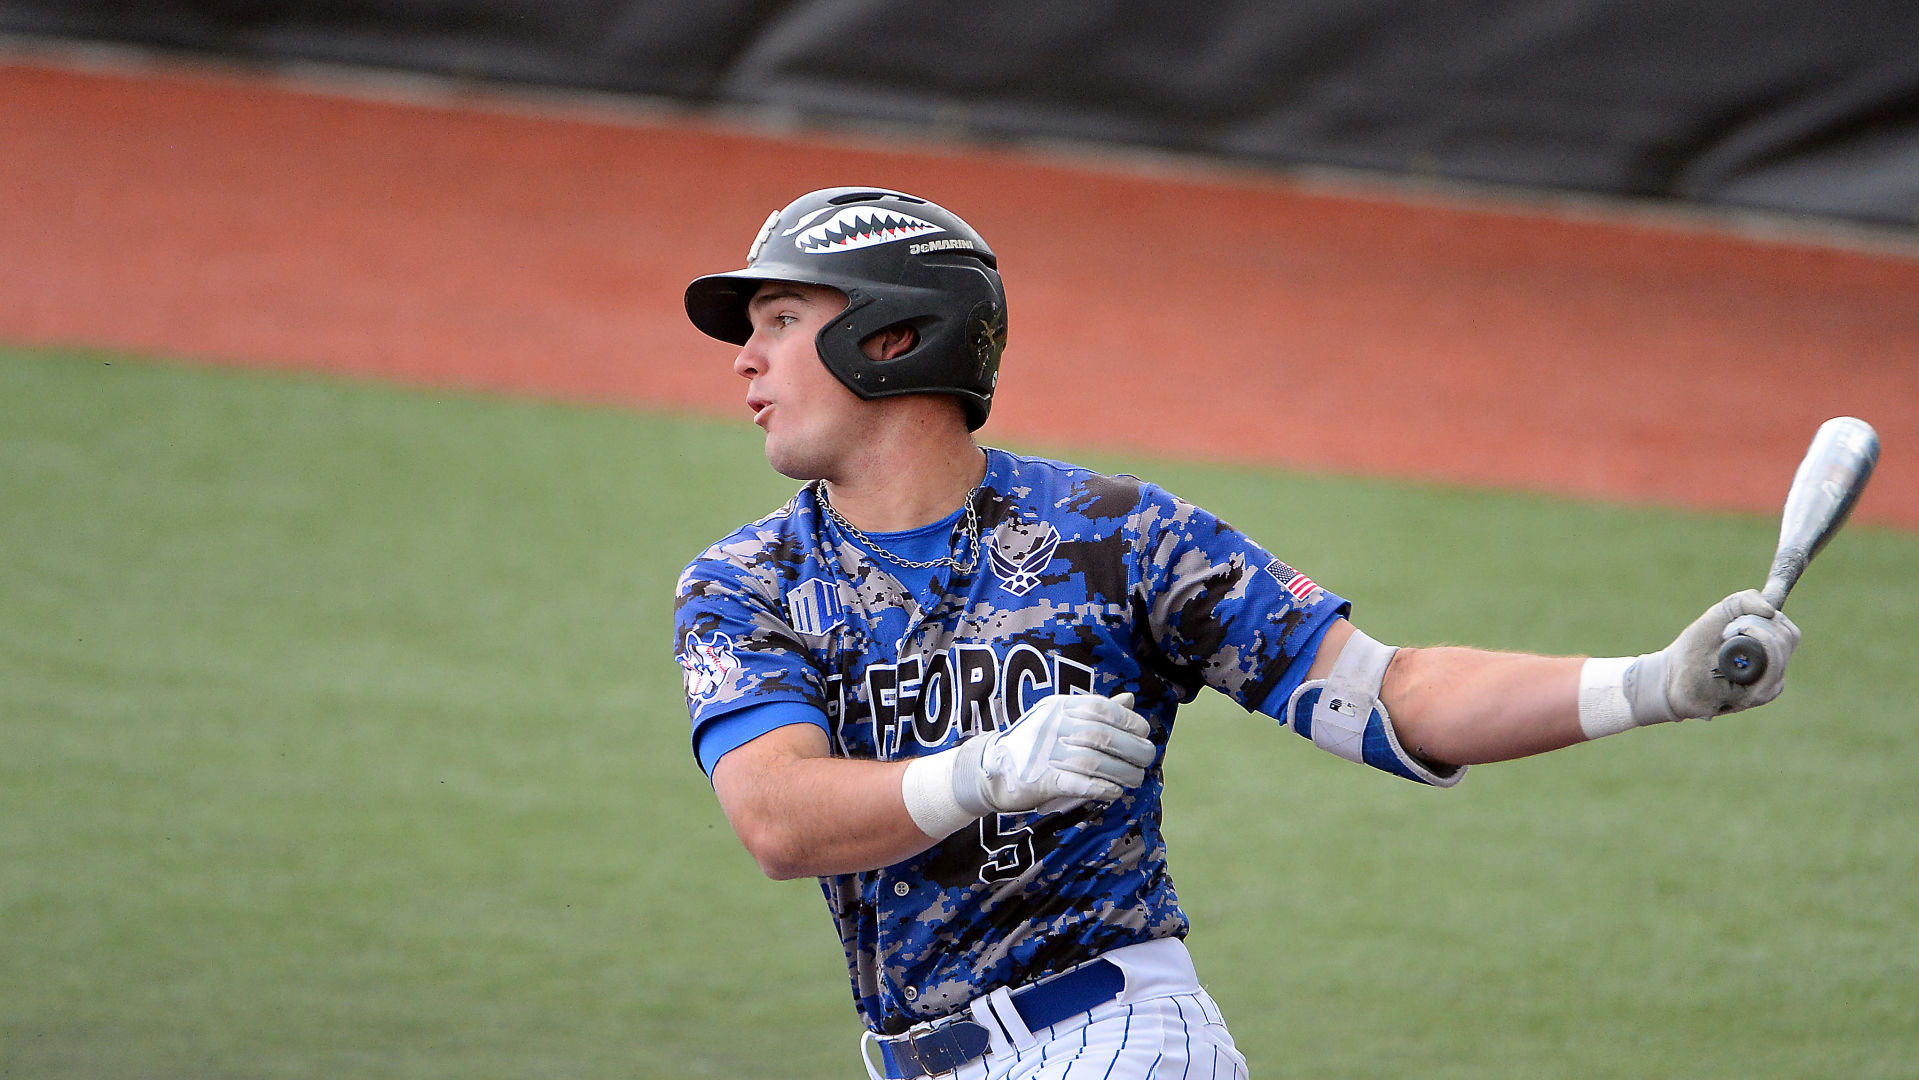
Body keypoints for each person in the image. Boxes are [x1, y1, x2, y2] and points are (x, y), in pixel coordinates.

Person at [673, 187, 1800, 1079]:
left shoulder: (1117, 537)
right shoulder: (744, 584)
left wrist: (1653, 682)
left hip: (1113, 1043)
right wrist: (980, 773)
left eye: (781, 320)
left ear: (892, 336)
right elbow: (775, 817)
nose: (744, 358)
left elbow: (1385, 694)